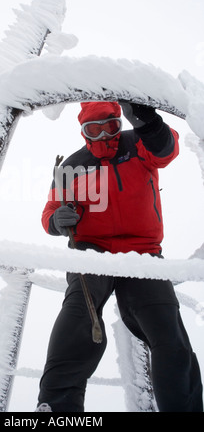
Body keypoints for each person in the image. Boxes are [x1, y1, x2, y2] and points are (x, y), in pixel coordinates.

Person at [36, 101, 203, 413]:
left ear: (119, 122)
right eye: (93, 130)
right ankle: (56, 407)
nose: (102, 136)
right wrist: (57, 220)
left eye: (110, 126)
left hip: (143, 252)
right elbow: (49, 213)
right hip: (91, 249)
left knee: (166, 328)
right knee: (80, 312)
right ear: (83, 131)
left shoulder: (138, 144)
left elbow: (166, 151)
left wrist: (148, 122)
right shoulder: (72, 165)